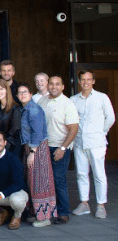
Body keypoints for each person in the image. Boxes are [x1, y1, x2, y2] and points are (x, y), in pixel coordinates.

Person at [71, 70, 115, 219]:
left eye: (89, 79)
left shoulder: (102, 98)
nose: (86, 82)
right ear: (79, 81)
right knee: (81, 174)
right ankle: (84, 204)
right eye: (83, 79)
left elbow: (110, 118)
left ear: (93, 81)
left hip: (96, 143)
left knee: (99, 174)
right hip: (79, 142)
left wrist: (100, 132)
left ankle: (101, 205)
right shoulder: (73, 100)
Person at [38, 75, 79, 224]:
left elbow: (74, 128)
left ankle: (63, 212)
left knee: (58, 179)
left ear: (62, 87)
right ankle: (48, 210)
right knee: (45, 180)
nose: (54, 87)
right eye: (51, 84)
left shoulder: (67, 103)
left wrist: (62, 148)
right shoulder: (42, 101)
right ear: (48, 85)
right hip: (44, 146)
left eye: (57, 84)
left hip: (59, 147)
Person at [17, 84, 57, 227]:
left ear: (31, 93)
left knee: (40, 182)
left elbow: (38, 133)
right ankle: (37, 214)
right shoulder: (25, 109)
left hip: (37, 149)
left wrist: (33, 152)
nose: (22, 95)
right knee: (33, 182)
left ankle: (45, 217)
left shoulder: (33, 109)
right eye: (20, 93)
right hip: (31, 148)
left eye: (25, 92)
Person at [0, 79, 22, 158]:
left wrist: (4, 146)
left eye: (1, 89)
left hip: (12, 146)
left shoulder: (15, 108)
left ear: (7, 90)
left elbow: (15, 130)